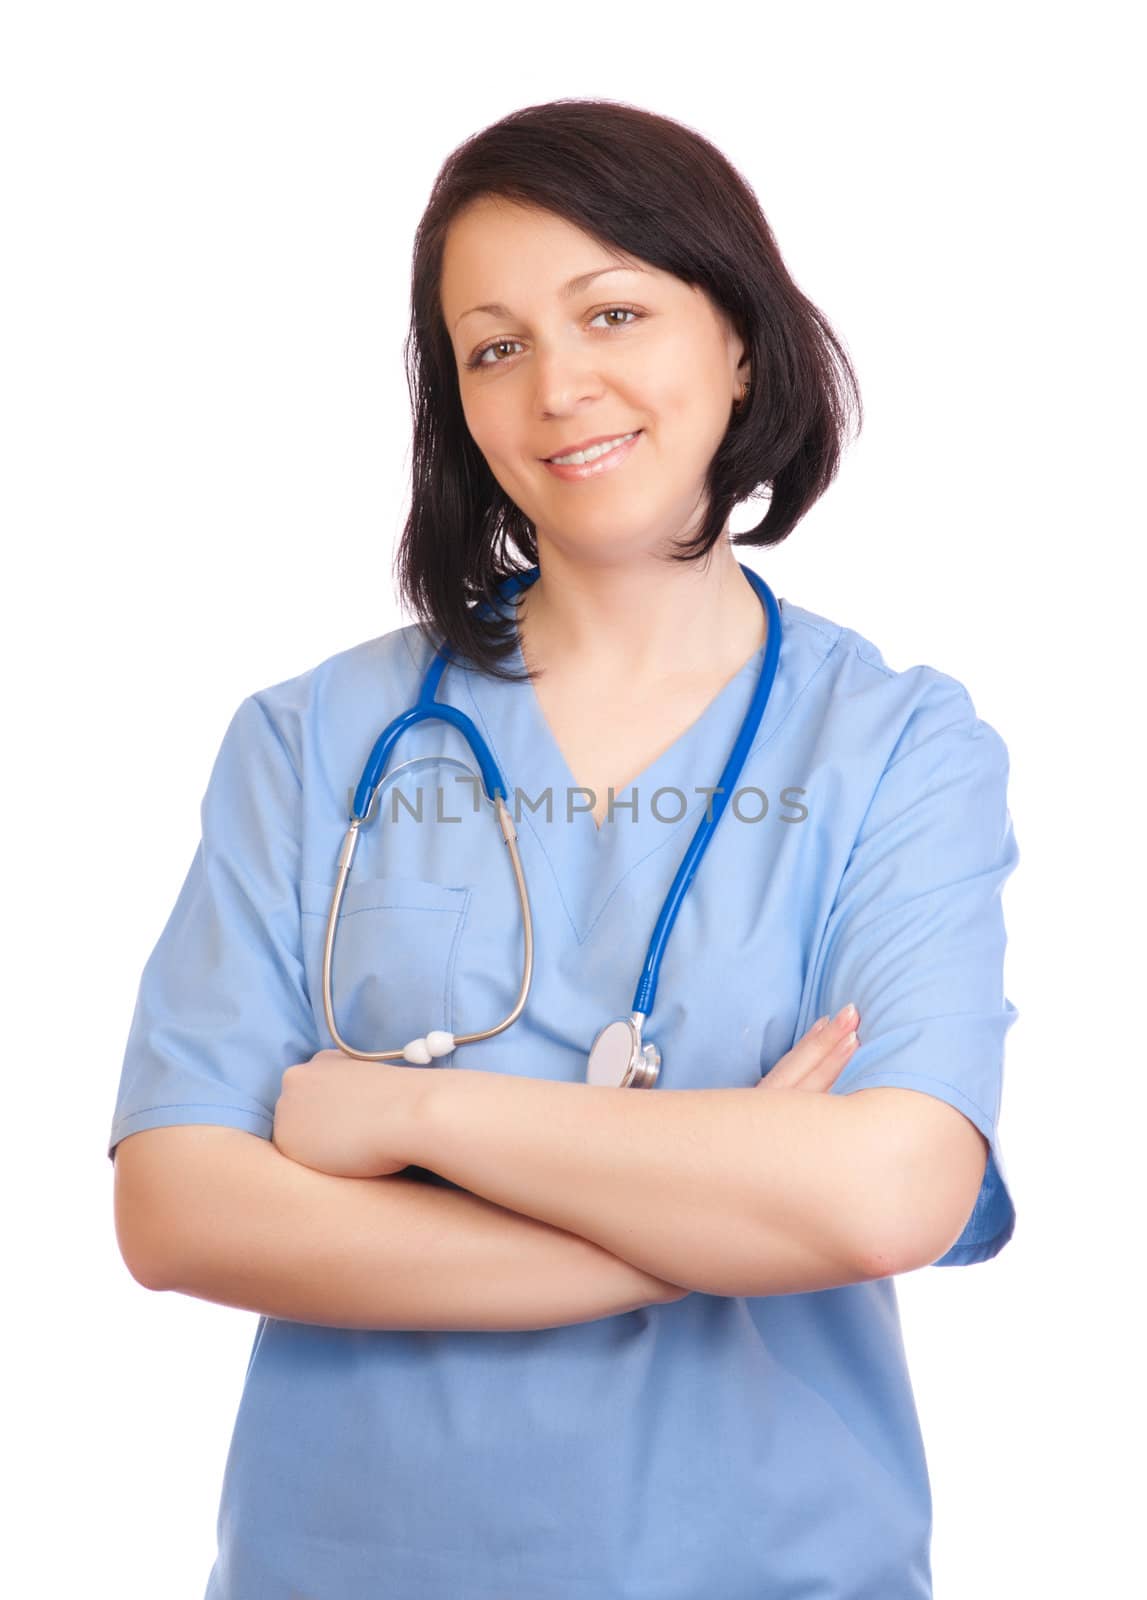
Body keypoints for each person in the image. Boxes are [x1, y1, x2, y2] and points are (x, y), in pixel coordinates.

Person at [108, 99, 1020, 1599]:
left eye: (614, 311)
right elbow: (179, 1206)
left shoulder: (900, 747)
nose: (558, 388)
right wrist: (709, 1225)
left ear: (741, 341)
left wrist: (407, 1119)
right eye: (495, 345)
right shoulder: (313, 739)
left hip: (773, 1566)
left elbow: (886, 1195)